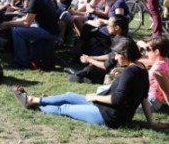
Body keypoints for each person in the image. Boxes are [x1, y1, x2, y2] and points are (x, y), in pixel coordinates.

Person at [14, 38, 168, 130]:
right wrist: (152, 122)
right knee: (69, 95)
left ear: (126, 54)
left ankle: (34, 102)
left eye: (117, 55)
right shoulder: (141, 68)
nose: (115, 58)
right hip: (105, 106)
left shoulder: (131, 72)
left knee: (65, 108)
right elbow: (143, 98)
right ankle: (37, 100)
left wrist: (94, 96)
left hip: (110, 116)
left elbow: (117, 100)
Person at [0, 0, 60, 69]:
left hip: (49, 32)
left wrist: (8, 24)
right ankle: (21, 55)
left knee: (17, 31)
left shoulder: (34, 0)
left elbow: (27, 23)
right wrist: (15, 21)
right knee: (16, 26)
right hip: (45, 28)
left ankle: (22, 61)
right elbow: (27, 17)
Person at [137, 36, 169, 111]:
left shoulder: (157, 69)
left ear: (157, 52)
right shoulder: (165, 60)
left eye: (148, 49)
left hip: (151, 101)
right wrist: (143, 45)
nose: (146, 52)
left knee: (125, 104)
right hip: (155, 99)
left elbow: (166, 91)